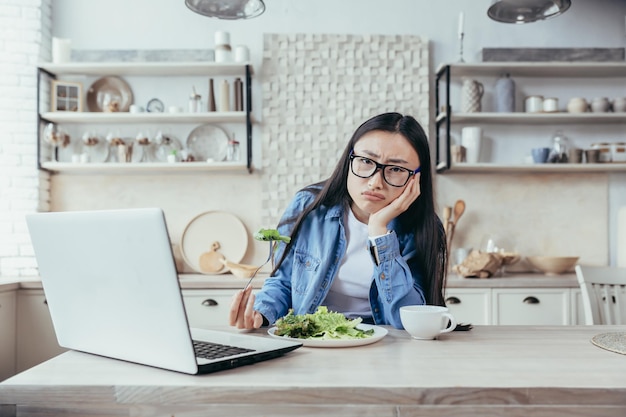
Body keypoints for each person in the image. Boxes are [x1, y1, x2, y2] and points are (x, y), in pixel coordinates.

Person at [229, 112, 447, 330]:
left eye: (397, 169)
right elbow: (284, 282)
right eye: (365, 161)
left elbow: (406, 321)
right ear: (349, 159)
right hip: (312, 340)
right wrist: (260, 312)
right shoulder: (308, 207)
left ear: (417, 178)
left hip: (384, 347)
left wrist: (379, 233)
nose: (374, 182)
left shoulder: (424, 229)